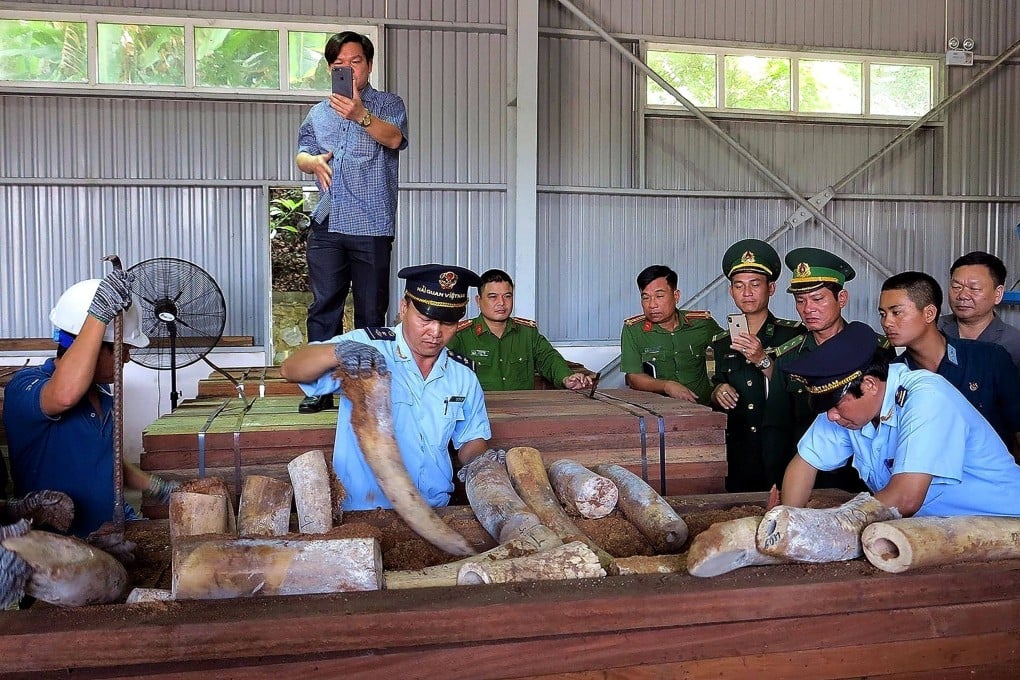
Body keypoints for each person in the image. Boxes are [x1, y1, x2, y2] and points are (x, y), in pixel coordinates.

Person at [280, 264, 491, 510]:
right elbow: (290, 369)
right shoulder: (366, 346)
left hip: (435, 510)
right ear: (404, 308)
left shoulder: (463, 376)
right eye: (425, 319)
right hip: (364, 511)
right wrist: (337, 353)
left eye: (448, 323)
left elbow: (470, 440)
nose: (435, 332)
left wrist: (481, 462)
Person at [779, 321, 1020, 517]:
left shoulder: (927, 397)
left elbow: (905, 499)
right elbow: (805, 463)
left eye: (836, 406)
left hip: (1003, 529)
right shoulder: (848, 410)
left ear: (870, 384)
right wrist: (788, 520)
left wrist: (823, 527)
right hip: (935, 533)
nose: (830, 416)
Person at [2, 275, 179, 539]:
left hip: (109, 532)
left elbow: (108, 464)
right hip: (57, 550)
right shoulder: (25, 386)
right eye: (121, 350)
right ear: (91, 348)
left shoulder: (104, 398)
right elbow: (63, 396)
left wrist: (159, 488)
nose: (127, 359)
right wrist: (99, 315)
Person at [295, 30, 410, 413]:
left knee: (370, 311)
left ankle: (366, 390)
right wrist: (310, 162)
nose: (347, 69)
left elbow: (394, 139)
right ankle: (319, 390)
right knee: (324, 306)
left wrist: (360, 114)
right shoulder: (318, 111)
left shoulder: (388, 103)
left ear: (369, 65)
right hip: (328, 222)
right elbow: (303, 152)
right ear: (330, 69)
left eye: (354, 62)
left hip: (371, 223)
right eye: (338, 65)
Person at [771, 247, 891, 492]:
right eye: (800, 301)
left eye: (818, 299)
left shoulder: (877, 349)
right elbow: (776, 426)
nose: (808, 309)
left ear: (842, 299)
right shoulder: (788, 356)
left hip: (866, 481)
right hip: (806, 476)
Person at [879, 271, 1020, 456]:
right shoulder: (893, 376)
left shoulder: (988, 359)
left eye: (896, 312)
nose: (887, 322)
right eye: (883, 314)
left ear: (929, 313)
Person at [709, 240, 805, 492]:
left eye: (755, 284)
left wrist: (763, 360)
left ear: (771, 288)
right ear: (731, 291)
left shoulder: (793, 336)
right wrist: (717, 390)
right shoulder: (721, 342)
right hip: (737, 450)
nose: (747, 292)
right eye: (739, 286)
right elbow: (716, 384)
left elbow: (800, 391)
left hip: (780, 449)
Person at [447, 269, 592, 392]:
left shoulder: (528, 334)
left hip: (522, 413)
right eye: (493, 297)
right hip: (478, 415)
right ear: (478, 301)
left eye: (507, 296)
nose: (501, 303)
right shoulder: (461, 336)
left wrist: (567, 378)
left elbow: (549, 359)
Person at [620, 265, 722, 404]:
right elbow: (633, 377)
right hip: (660, 412)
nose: (652, 305)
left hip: (702, 409)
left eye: (659, 296)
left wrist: (720, 386)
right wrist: (666, 386)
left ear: (676, 296)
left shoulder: (702, 324)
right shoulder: (634, 330)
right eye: (645, 298)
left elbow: (731, 352)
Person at [938, 251, 1020, 372]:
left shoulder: (1014, 343)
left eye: (974, 288)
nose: (962, 295)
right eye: (956, 287)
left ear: (998, 294)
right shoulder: (932, 329)